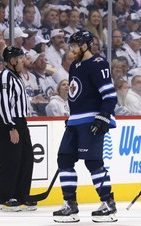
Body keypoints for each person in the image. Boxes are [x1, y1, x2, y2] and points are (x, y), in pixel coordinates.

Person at [53, 29, 118, 223]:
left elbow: (109, 95)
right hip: (75, 121)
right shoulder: (75, 65)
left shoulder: (98, 64)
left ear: (84, 46)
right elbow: (76, 93)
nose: (70, 49)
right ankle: (70, 204)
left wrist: (103, 117)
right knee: (64, 159)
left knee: (93, 163)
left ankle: (108, 203)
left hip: (92, 119)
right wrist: (73, 117)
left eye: (73, 46)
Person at [0, 46, 36, 212]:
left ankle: (21, 195)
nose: (23, 61)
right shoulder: (5, 76)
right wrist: (11, 126)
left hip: (21, 122)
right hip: (9, 123)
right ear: (12, 61)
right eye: (20, 59)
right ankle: (4, 198)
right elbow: (3, 103)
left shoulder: (17, 76)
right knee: (10, 160)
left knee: (27, 158)